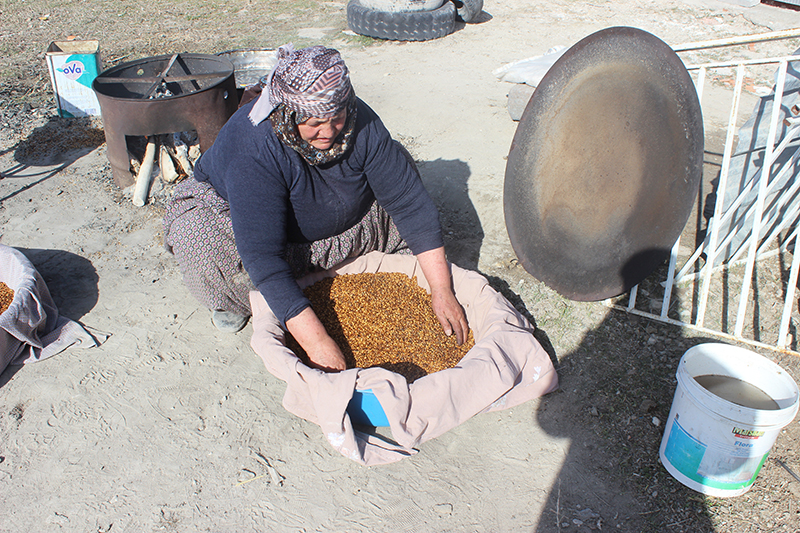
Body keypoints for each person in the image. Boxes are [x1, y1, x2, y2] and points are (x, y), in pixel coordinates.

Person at [163, 44, 467, 372]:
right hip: (258, 233)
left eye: (337, 118)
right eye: (314, 123)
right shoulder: (253, 147)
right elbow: (263, 256)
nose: (328, 132)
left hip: (347, 226)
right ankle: (241, 302)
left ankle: (335, 270)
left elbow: (408, 202)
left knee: (398, 162)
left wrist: (441, 288)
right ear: (288, 111)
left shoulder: (358, 120)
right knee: (202, 244)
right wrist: (318, 341)